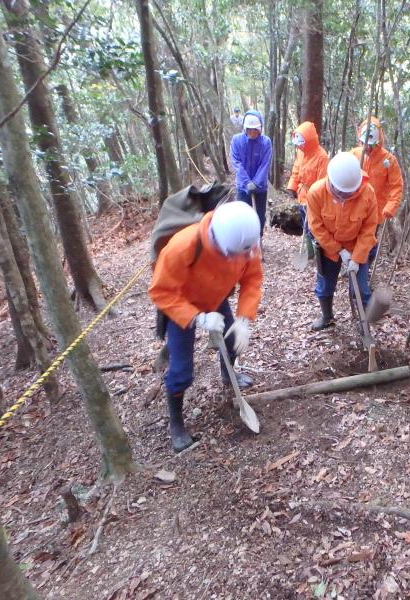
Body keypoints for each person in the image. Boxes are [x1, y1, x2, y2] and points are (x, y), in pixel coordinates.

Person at [149, 201, 263, 452]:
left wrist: (244, 318)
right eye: (234, 254)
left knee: (233, 342)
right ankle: (176, 424)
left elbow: (252, 278)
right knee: (181, 372)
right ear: (219, 243)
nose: (242, 258)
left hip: (215, 298)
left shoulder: (246, 243)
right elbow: (160, 292)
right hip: (182, 306)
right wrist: (197, 318)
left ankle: (227, 373)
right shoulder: (182, 247)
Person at [307, 152, 378, 330]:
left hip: (357, 247)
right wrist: (338, 250)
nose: (343, 197)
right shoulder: (316, 192)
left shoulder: (368, 194)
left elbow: (369, 229)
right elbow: (316, 227)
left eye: (348, 193)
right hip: (328, 248)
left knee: (361, 289)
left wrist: (356, 258)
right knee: (324, 286)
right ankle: (327, 317)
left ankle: (364, 324)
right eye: (340, 192)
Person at [350, 116, 404, 224]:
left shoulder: (388, 160)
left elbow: (396, 186)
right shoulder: (353, 154)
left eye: (371, 144)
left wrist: (391, 206)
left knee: (367, 240)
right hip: (352, 210)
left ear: (378, 142)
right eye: (364, 143)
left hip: (374, 214)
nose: (367, 147)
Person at [230, 110, 272, 239]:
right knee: (244, 215)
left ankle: (258, 238)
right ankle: (246, 240)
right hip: (243, 185)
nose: (252, 133)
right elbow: (236, 162)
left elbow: (265, 164)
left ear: (260, 129)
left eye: (255, 130)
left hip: (260, 186)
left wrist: (256, 182)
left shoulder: (266, 142)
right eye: (250, 129)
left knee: (260, 215)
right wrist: (247, 182)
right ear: (245, 128)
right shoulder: (237, 140)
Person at [286, 121, 329, 237]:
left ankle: (316, 252)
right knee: (305, 227)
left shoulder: (322, 157)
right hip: (302, 196)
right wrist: (292, 188)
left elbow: (322, 183)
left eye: (301, 144)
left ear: (309, 141)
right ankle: (308, 250)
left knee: (314, 229)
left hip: (314, 199)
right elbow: (296, 171)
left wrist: (314, 200)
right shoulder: (300, 153)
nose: (298, 146)